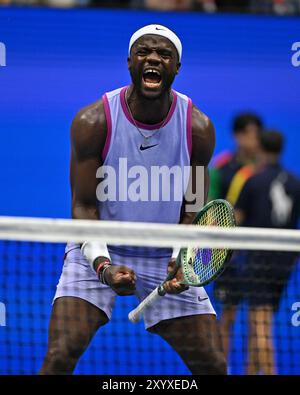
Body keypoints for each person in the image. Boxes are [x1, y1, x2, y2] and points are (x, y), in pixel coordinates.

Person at [40, 24, 226, 375]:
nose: (153, 58)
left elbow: (193, 207)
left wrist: (180, 260)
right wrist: (103, 266)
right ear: (129, 62)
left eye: (164, 54)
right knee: (59, 356)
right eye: (144, 51)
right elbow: (83, 207)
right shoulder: (92, 121)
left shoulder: (199, 129)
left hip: (165, 256)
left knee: (213, 365)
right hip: (98, 251)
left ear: (176, 68)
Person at [235, 130, 300, 375]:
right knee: (261, 322)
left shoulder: (253, 180)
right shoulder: (295, 182)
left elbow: (237, 219)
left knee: (260, 327)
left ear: (260, 148)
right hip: (284, 262)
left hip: (258, 261)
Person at [209, 112, 263, 361]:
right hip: (229, 258)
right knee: (226, 319)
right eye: (250, 134)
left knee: (259, 323)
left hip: (259, 259)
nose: (254, 140)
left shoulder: (265, 171)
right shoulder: (220, 167)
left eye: (257, 135)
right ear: (238, 136)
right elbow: (208, 209)